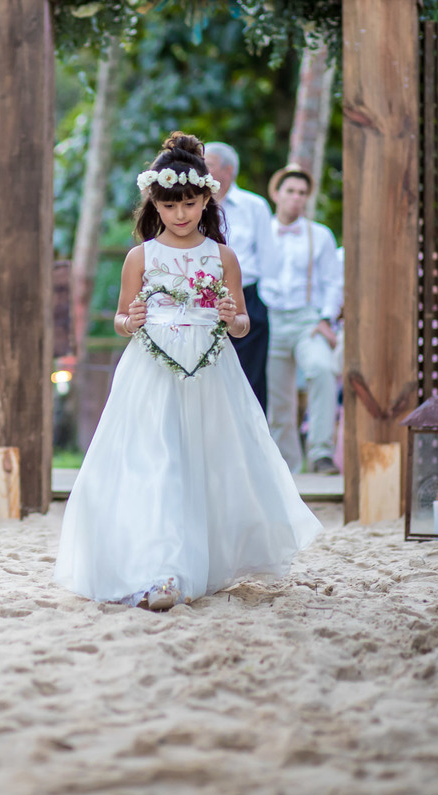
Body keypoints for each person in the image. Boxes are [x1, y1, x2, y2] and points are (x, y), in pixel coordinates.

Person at [54, 132, 320, 611]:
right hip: (152, 371)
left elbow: (242, 324)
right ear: (154, 203)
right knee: (159, 461)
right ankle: (163, 571)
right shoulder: (140, 257)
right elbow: (121, 318)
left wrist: (231, 317)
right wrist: (130, 320)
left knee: (206, 462)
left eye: (190, 204)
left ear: (206, 201)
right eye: (170, 204)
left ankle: (201, 562)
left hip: (209, 370)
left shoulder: (223, 257)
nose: (180, 214)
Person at [264, 164, 343, 475]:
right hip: (269, 319)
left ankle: (321, 453)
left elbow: (333, 282)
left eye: (302, 193)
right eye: (290, 191)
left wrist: (326, 318)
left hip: (307, 320)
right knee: (277, 395)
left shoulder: (319, 235)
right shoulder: (261, 233)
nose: (296, 197)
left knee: (322, 369)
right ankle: (286, 466)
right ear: (276, 193)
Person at [204, 141, 279, 413]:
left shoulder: (254, 206)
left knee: (251, 378)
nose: (202, 170)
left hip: (248, 297)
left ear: (228, 170)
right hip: (204, 300)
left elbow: (268, 256)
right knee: (207, 376)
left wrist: (263, 302)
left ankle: (254, 434)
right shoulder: (194, 205)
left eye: (209, 165)